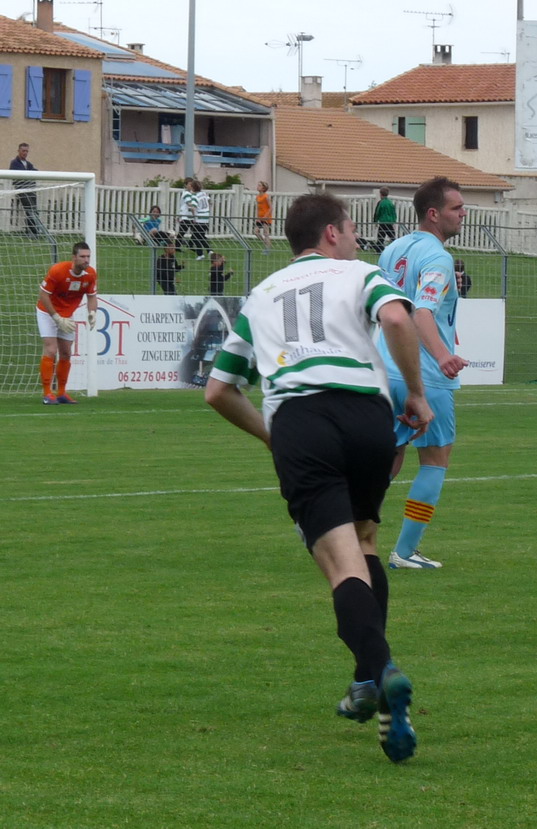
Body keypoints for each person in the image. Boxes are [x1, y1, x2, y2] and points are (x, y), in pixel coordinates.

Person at [205, 192, 433, 763]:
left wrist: (271, 436)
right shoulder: (360, 273)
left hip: (303, 420)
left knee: (339, 565)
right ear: (331, 233)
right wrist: (420, 394)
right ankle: (366, 683)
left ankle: (380, 671)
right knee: (364, 542)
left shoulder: (261, 294)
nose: (358, 237)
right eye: (352, 228)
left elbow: (218, 389)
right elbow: (398, 317)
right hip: (367, 416)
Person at [376, 176, 469, 569]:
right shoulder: (438, 257)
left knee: (387, 460)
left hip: (383, 367)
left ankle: (329, 520)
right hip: (422, 375)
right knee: (435, 460)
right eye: (456, 208)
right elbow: (422, 311)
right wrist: (443, 355)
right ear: (434, 214)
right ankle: (405, 552)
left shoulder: (394, 249)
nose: (463, 214)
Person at [36, 241, 98, 405]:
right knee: (51, 349)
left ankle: (62, 393)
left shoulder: (91, 274)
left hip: (67, 315)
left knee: (66, 353)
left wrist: (92, 313)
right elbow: (43, 295)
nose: (86, 260)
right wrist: (56, 317)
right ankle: (48, 393)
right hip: (47, 312)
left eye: (88, 256)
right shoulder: (58, 270)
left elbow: (92, 296)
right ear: (74, 257)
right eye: (83, 256)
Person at [9, 142, 39, 236]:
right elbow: (18, 177)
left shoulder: (28, 164)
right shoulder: (14, 163)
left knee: (34, 210)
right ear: (18, 151)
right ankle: (32, 233)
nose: (25, 153)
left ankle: (33, 231)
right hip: (22, 190)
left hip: (30, 190)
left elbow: (35, 172)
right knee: (30, 209)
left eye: (27, 151)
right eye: (23, 151)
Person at [190, 179, 211, 260]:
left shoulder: (195, 196)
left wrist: (194, 216)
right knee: (201, 236)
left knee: (196, 237)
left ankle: (200, 254)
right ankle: (209, 251)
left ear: (193, 188)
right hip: (206, 218)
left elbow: (193, 208)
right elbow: (210, 201)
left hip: (199, 219)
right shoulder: (204, 194)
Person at [174, 177, 195, 251]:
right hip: (186, 216)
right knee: (182, 232)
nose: (191, 186)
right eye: (189, 184)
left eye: (192, 184)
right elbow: (189, 204)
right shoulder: (186, 194)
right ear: (186, 185)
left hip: (190, 216)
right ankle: (177, 246)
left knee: (195, 231)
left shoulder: (191, 194)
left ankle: (190, 244)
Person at [373, 186, 397, 252]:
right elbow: (393, 213)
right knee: (392, 236)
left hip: (383, 222)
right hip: (390, 222)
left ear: (380, 194)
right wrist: (394, 221)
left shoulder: (380, 203)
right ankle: (396, 248)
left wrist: (375, 221)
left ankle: (379, 249)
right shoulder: (390, 203)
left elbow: (377, 212)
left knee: (380, 236)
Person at [254, 181, 273, 254]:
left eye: (259, 186)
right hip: (260, 217)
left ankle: (267, 249)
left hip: (266, 218)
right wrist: (258, 217)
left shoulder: (266, 196)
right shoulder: (258, 196)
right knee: (256, 231)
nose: (257, 187)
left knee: (266, 233)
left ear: (263, 188)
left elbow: (271, 208)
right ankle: (265, 243)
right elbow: (258, 208)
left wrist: (266, 216)